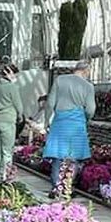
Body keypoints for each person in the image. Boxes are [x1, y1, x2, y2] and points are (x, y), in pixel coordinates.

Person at [42, 60, 96, 197]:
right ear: (86, 71)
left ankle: (55, 187)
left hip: (60, 122)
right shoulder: (88, 86)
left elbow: (50, 103)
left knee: (57, 155)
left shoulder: (60, 80)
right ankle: (67, 187)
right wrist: (86, 118)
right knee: (74, 157)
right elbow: (91, 109)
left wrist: (47, 121)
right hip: (77, 124)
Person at [0, 62, 24, 182]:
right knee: (7, 151)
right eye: (15, 74)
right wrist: (20, 115)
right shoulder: (12, 87)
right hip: (8, 120)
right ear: (9, 73)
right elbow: (18, 104)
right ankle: (5, 177)